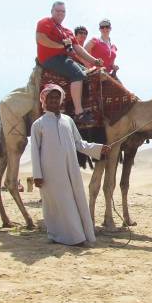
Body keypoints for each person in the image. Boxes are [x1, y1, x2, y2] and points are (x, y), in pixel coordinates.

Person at [31, 84, 111, 246]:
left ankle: (76, 235)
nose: (53, 100)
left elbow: (79, 144)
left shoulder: (68, 120)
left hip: (70, 169)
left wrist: (99, 148)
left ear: (61, 100)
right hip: (50, 173)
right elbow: (34, 151)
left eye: (56, 97)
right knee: (57, 203)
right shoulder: (38, 124)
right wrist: (37, 175)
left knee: (72, 200)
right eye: (50, 97)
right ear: (44, 100)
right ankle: (67, 237)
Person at [36, 1, 103, 124]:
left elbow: (78, 48)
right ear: (52, 11)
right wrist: (61, 46)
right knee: (77, 74)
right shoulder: (45, 23)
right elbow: (41, 39)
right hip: (50, 59)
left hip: (64, 58)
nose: (60, 13)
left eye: (63, 11)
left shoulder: (67, 31)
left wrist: (94, 61)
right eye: (58, 11)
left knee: (88, 73)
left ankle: (83, 106)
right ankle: (79, 113)